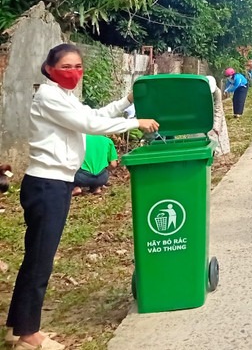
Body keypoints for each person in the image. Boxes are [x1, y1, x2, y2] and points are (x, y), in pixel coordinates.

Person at [6, 44, 158, 350]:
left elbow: (94, 115)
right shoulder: (49, 96)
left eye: (78, 66)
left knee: (37, 257)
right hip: (46, 184)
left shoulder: (65, 97)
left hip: (57, 183)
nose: (74, 72)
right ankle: (28, 336)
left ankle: (19, 325)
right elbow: (90, 125)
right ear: (49, 69)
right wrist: (134, 122)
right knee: (40, 260)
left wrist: (126, 101)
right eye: (66, 67)